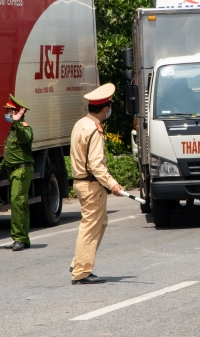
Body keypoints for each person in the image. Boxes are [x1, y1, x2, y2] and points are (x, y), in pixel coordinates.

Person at [69, 83, 124, 285]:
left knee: (100, 223)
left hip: (82, 183)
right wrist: (113, 185)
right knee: (91, 226)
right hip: (91, 185)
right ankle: (81, 271)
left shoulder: (81, 124)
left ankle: (78, 262)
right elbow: (96, 165)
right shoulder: (94, 130)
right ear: (105, 109)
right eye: (109, 107)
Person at [0, 96, 34, 251]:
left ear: (16, 112)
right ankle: (23, 239)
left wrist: (17, 121)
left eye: (8, 111)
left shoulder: (23, 128)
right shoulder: (13, 130)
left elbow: (25, 138)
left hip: (22, 170)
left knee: (17, 203)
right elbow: (10, 156)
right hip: (15, 170)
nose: (6, 114)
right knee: (21, 205)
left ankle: (19, 239)